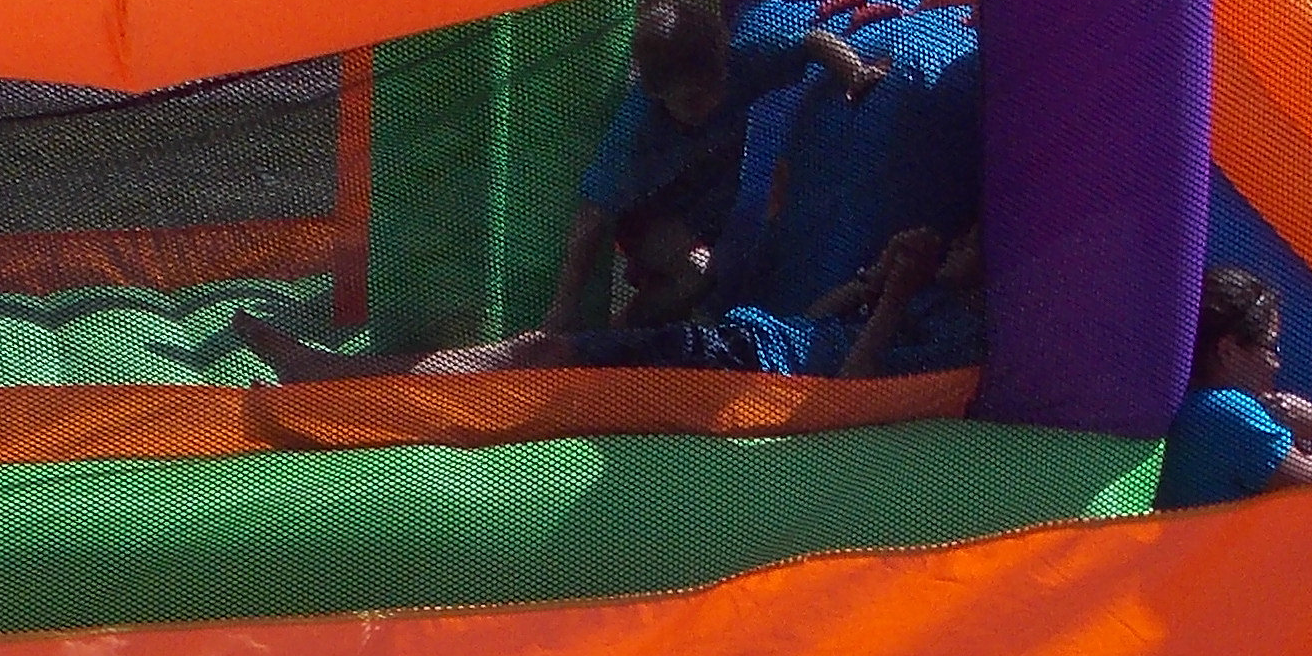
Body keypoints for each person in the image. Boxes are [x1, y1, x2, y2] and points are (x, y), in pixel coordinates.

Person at [237, 224, 983, 392]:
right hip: (741, 337)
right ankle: (347, 372)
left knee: (543, 354)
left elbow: (849, 388)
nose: (953, 248)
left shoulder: (958, 331)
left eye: (969, 246)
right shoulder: (924, 298)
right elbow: (818, 326)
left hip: (739, 365)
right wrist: (869, 283)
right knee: (543, 349)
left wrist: (897, 301)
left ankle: (339, 374)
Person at [541, 0, 881, 334]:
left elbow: (813, 41)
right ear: (655, 91)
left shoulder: (740, 63)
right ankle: (620, 338)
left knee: (716, 282)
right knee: (696, 274)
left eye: (717, 85)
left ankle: (650, 330)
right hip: (648, 219)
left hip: (710, 212)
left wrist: (855, 73)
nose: (713, 101)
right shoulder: (638, 129)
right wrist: (566, 304)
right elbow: (593, 212)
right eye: (693, 98)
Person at [1157, 264, 1312, 508]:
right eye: (1271, 347)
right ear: (1228, 351)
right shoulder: (1230, 411)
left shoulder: (1185, 401)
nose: (1277, 364)